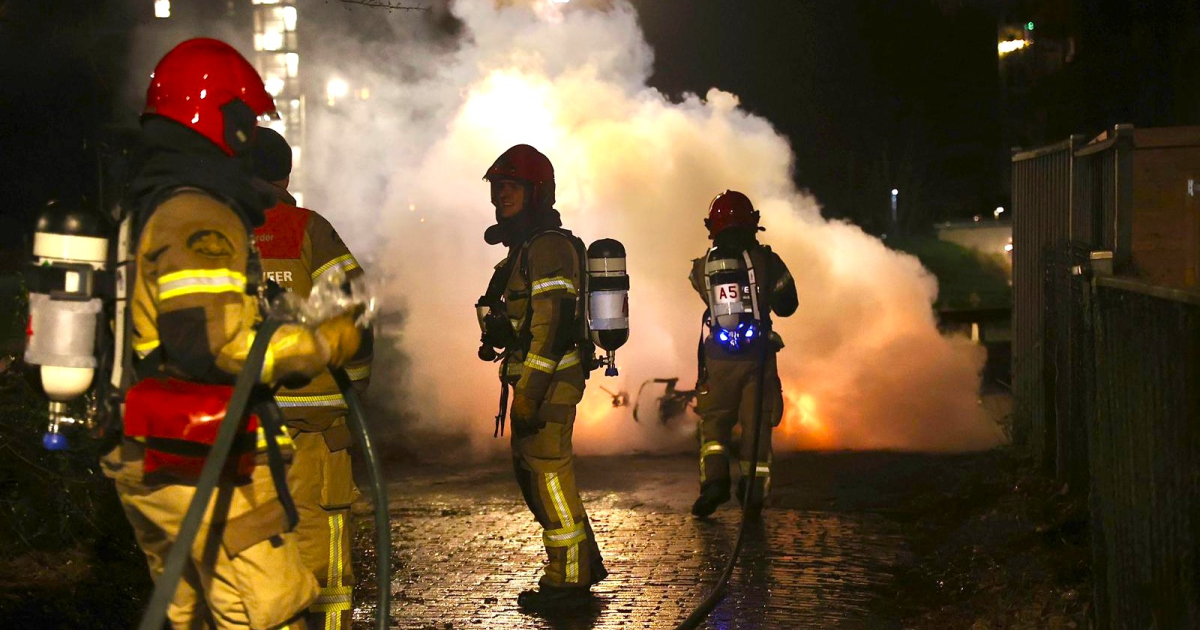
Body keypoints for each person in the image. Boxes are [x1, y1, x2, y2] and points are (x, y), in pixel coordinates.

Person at [101, 38, 361, 630]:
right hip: (202, 462)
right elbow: (211, 347)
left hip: (157, 458)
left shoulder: (153, 204)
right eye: (244, 118)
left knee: (193, 616)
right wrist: (321, 345)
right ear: (219, 120)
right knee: (270, 612)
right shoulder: (199, 215)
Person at [251, 127, 372, 630]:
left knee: (256, 537)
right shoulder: (308, 228)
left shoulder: (219, 228)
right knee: (324, 532)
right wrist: (353, 391)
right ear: (284, 175)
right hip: (317, 418)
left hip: (248, 415)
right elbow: (355, 307)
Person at [479, 144, 607, 609]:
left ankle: (567, 582)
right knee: (538, 476)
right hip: (533, 381)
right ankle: (583, 561)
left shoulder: (549, 247)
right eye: (497, 187)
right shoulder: (524, 247)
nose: (501, 196)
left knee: (549, 477)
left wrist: (529, 394)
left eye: (511, 187)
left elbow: (551, 329)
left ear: (538, 192)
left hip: (550, 384)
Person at [688, 190, 798, 518]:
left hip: (719, 357)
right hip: (758, 357)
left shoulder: (703, 266)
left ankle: (714, 484)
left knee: (715, 425)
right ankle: (752, 493)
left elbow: (704, 294)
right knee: (756, 427)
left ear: (714, 226)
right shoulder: (766, 260)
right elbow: (789, 305)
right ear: (753, 222)